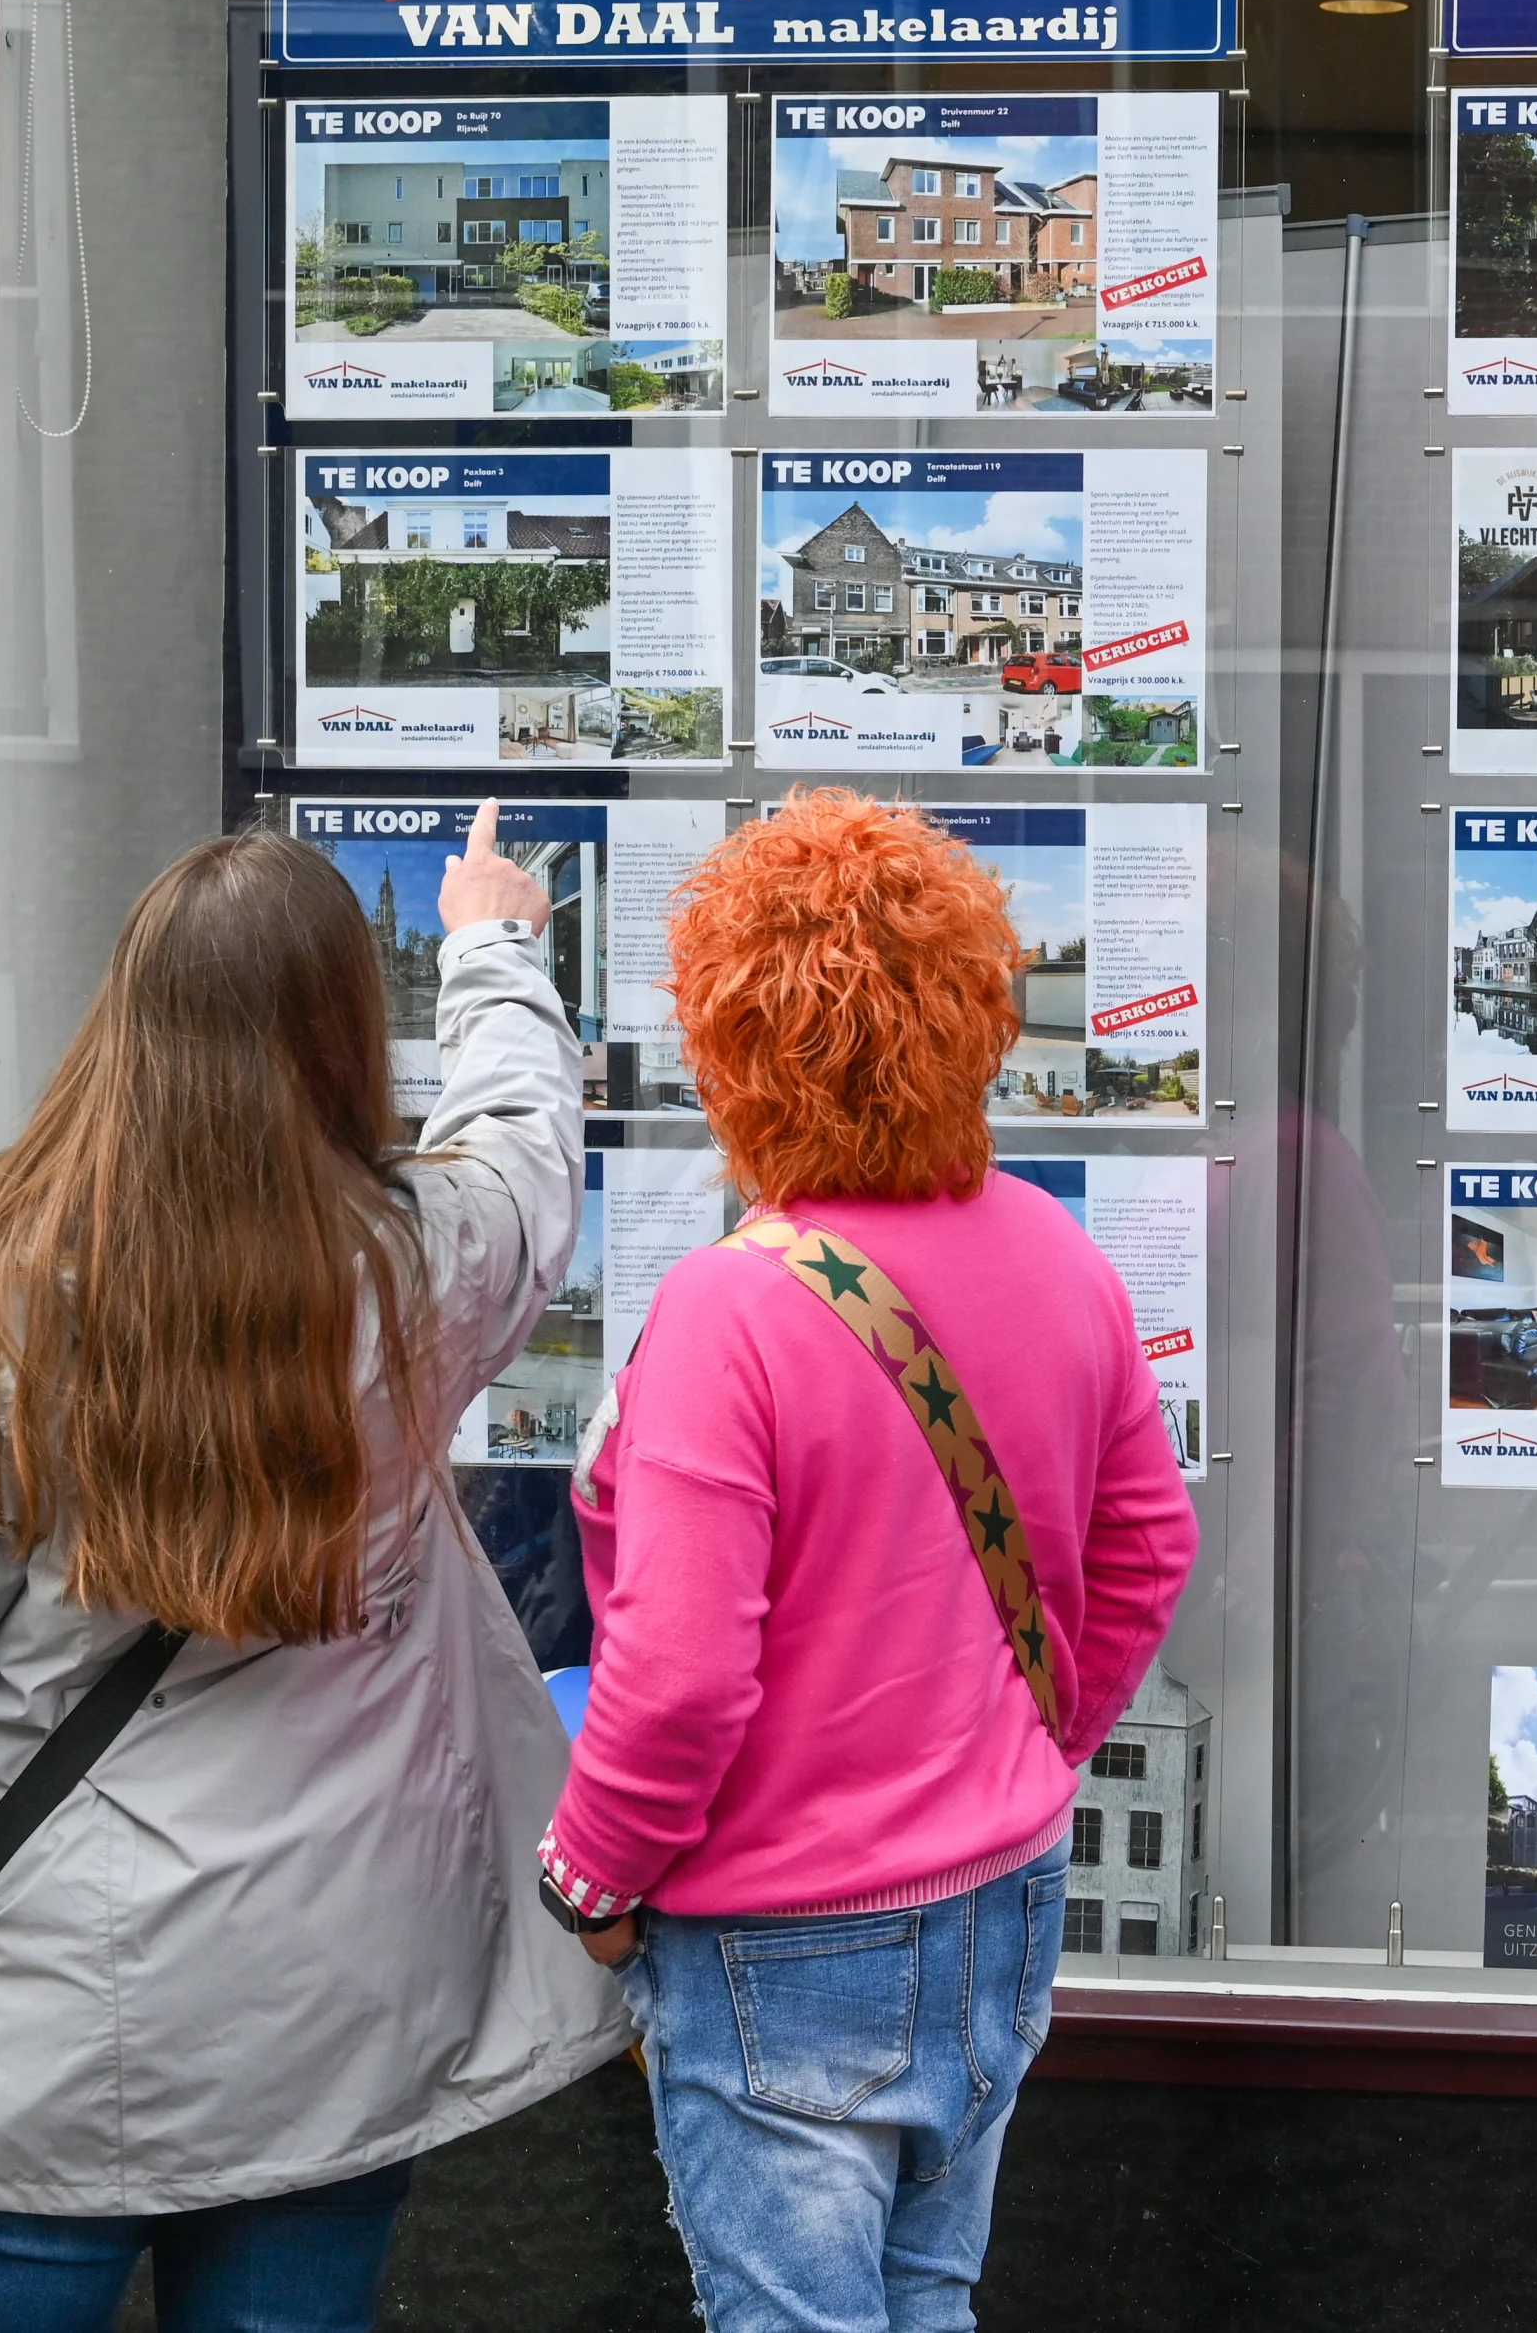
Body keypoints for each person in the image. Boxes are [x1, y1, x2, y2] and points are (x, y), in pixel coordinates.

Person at [0, 805, 631, 2332]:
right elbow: (528, 1144)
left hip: (37, 2042)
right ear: (349, 1034)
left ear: (128, 1018)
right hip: (328, 2022)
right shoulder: (423, 1268)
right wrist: (490, 946)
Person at [536, 786, 1197, 2333]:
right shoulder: (1058, 1248)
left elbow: (682, 1669)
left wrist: (590, 1872)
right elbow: (1150, 1546)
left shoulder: (727, 1309)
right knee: (926, 2302)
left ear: (733, 1041)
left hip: (783, 1933)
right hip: (1004, 1891)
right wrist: (1025, 1746)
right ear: (976, 1010)